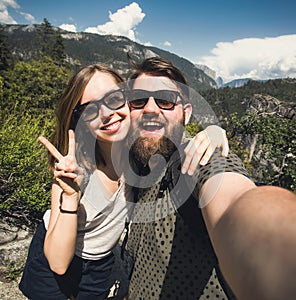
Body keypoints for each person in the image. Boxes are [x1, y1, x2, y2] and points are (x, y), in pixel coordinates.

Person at [18, 62, 230, 300]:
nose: (107, 114)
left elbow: (172, 136)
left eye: (114, 100)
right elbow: (58, 263)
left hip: (101, 264)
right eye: (90, 109)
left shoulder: (139, 153)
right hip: (55, 257)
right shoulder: (77, 171)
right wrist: (69, 196)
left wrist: (213, 132)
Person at [124, 57, 296, 300]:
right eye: (138, 101)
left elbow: (233, 197)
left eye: (165, 101)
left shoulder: (198, 160)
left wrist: (281, 247)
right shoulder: (138, 165)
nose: (151, 109)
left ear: (185, 114)